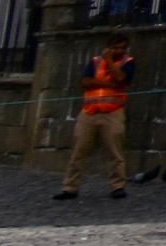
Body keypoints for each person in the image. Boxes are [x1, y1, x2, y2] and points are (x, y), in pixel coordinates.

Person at [54, 32, 133, 200]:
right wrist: (108, 83)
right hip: (89, 111)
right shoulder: (95, 62)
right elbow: (84, 82)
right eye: (116, 47)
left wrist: (110, 62)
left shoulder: (128, 62)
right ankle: (70, 187)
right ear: (108, 47)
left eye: (123, 48)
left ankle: (117, 186)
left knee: (115, 152)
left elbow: (121, 78)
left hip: (113, 111)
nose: (120, 51)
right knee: (79, 150)